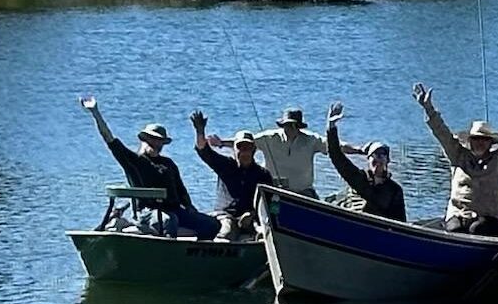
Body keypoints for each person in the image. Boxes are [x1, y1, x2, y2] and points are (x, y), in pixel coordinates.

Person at [413, 81, 498, 236]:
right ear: (469, 141)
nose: (479, 143)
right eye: (475, 139)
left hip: (492, 219)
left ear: (490, 142)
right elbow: (441, 133)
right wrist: (428, 108)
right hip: (460, 216)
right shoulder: (458, 155)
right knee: (455, 229)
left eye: (483, 140)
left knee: (477, 229)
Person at [79, 96, 219, 239]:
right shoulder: (134, 161)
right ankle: (165, 253)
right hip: (148, 212)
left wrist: (190, 208)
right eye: (152, 140)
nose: (156, 144)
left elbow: (181, 191)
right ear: (143, 139)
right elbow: (110, 140)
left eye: (160, 141)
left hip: (175, 210)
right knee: (168, 221)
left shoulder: (168, 163)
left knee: (212, 224)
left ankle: (194, 255)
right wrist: (95, 113)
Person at [211, 106, 358, 198]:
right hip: (274, 191)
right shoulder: (270, 138)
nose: (288, 128)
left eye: (292, 126)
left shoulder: (311, 140)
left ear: (299, 126)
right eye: (285, 125)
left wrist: (359, 150)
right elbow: (245, 144)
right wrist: (222, 143)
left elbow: (335, 147)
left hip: (303, 192)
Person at [191, 111, 275, 236]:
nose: (244, 152)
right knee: (227, 229)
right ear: (234, 150)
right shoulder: (225, 165)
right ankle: (221, 244)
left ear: (254, 150)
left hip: (250, 218)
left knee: (261, 231)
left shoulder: (262, 174)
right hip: (224, 216)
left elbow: (270, 203)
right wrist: (200, 131)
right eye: (240, 148)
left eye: (248, 148)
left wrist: (252, 215)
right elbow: (203, 150)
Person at [324, 100, 406, 222]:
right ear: (368, 160)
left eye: (381, 155)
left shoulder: (394, 190)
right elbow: (337, 156)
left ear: (387, 160)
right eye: (374, 155)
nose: (377, 159)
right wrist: (331, 127)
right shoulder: (359, 178)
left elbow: (400, 222)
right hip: (352, 223)